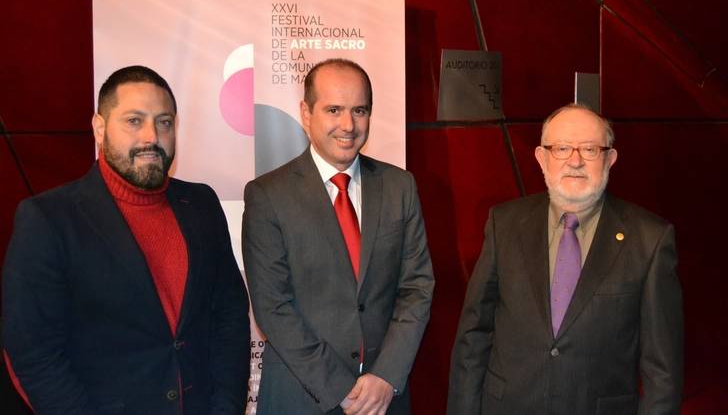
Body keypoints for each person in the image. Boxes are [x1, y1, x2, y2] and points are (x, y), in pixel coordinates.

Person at [2, 65, 250, 414]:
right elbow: (33, 353)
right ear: (99, 128)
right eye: (134, 121)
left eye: (164, 122)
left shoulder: (201, 204)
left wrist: (225, 408)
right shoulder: (47, 219)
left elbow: (229, 316)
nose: (151, 136)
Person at [447, 103, 683, 414]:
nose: (575, 161)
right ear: (541, 159)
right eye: (561, 148)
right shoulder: (503, 224)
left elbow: (662, 371)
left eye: (589, 149)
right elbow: (473, 337)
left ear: (609, 159)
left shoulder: (650, 240)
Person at [242, 58, 434, 415]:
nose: (348, 125)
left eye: (359, 110)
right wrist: (342, 389)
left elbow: (417, 288)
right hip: (302, 396)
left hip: (383, 399)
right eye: (334, 110)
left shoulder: (399, 186)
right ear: (306, 112)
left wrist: (385, 377)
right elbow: (273, 307)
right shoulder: (268, 195)